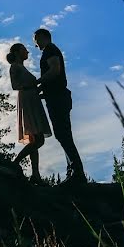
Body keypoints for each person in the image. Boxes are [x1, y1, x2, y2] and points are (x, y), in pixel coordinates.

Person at [34, 28, 87, 184]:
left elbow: (55, 70)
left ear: (43, 37)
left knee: (63, 134)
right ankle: (72, 172)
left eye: (36, 39)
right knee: (62, 134)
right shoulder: (50, 51)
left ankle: (77, 172)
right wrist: (42, 91)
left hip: (58, 98)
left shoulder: (50, 49)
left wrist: (37, 83)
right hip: (56, 97)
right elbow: (53, 78)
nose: (35, 44)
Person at [7, 43, 51, 184]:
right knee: (39, 140)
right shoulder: (15, 66)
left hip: (32, 99)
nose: (27, 52)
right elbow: (15, 85)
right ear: (18, 52)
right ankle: (15, 162)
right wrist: (33, 86)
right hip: (27, 100)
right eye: (25, 50)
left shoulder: (21, 67)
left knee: (34, 139)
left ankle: (35, 175)